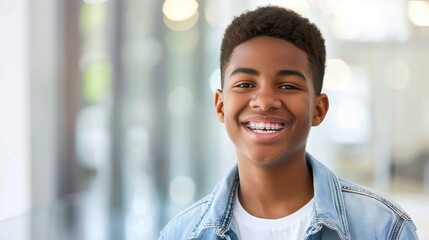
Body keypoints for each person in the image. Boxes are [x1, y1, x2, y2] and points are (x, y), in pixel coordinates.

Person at [159, 6, 418, 240]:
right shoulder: (181, 234)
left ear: (318, 109)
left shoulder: (384, 228)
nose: (264, 101)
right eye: (245, 84)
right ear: (220, 105)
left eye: (287, 86)